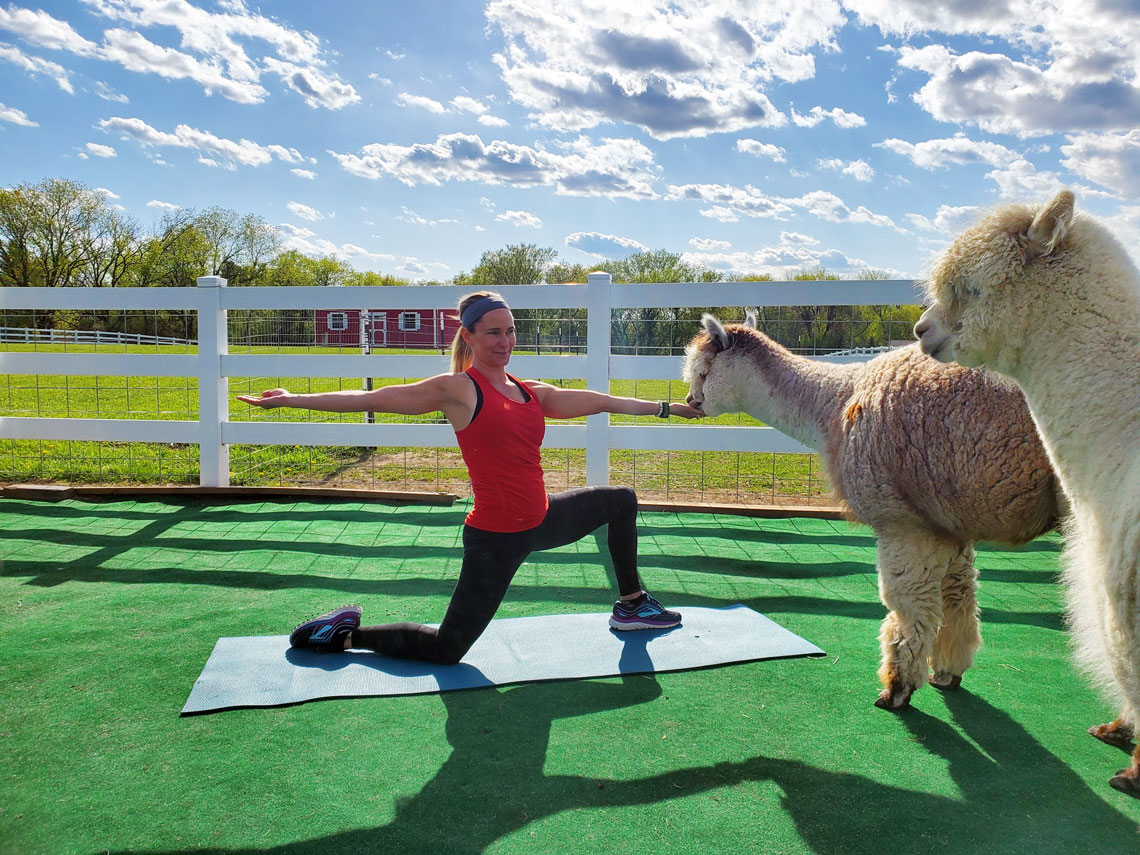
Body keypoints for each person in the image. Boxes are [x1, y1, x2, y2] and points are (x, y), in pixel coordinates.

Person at [237, 290, 703, 665]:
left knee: (620, 499)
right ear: (471, 337)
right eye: (494, 333)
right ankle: (341, 633)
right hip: (496, 538)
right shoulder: (459, 390)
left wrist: (669, 408)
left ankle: (631, 605)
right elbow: (371, 399)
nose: (505, 341)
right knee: (447, 649)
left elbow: (604, 401)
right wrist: (292, 399)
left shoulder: (529, 391)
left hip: (541, 520)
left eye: (511, 332)